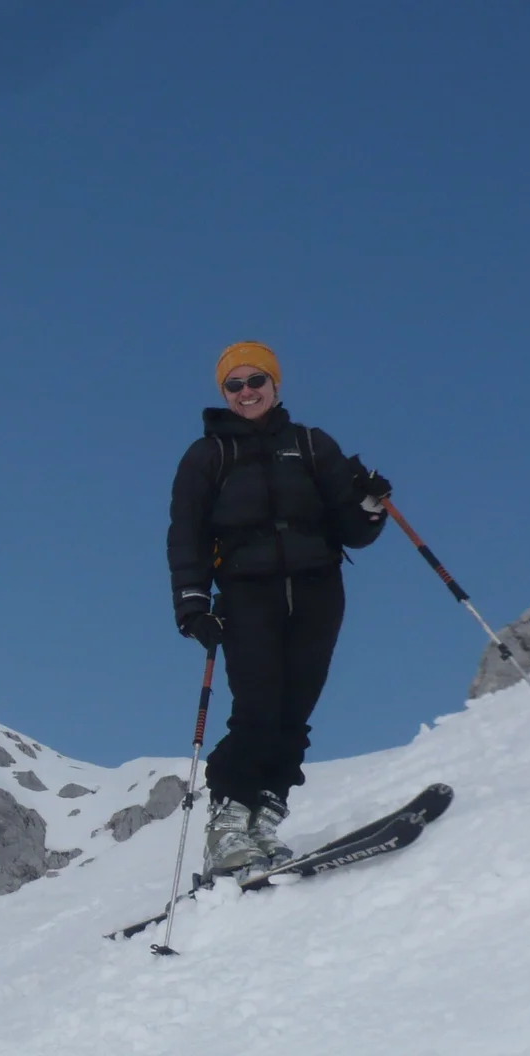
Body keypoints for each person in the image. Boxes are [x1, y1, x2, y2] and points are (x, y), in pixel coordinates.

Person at [167, 341, 393, 876]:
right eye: (234, 385)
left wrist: (369, 503)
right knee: (259, 706)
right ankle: (227, 823)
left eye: (256, 381)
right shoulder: (208, 456)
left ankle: (265, 814)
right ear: (222, 392)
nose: (246, 392)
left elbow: (354, 532)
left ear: (275, 385)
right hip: (247, 592)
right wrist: (192, 603)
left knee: (297, 708)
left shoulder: (312, 445)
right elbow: (186, 535)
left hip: (318, 588)